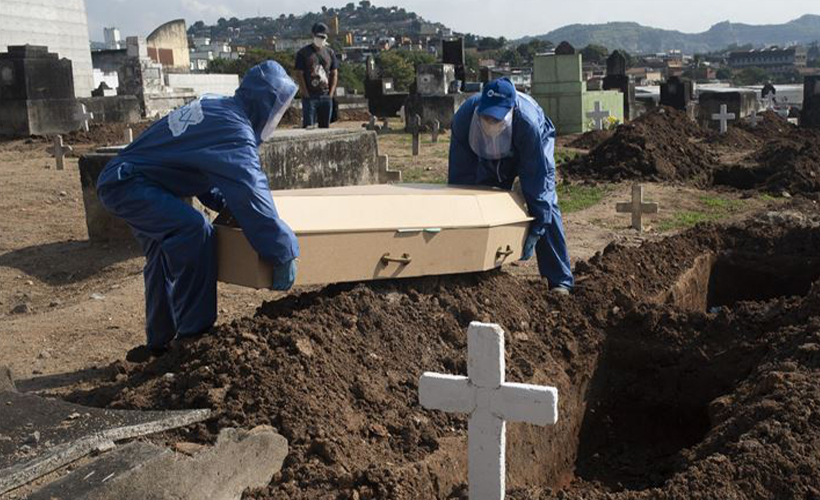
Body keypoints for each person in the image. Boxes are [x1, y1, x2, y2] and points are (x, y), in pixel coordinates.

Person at [97, 61, 300, 362]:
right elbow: (251, 194)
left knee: (163, 255)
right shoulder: (234, 130)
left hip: (127, 180)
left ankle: (159, 345)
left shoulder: (217, 108)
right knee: (193, 230)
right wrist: (282, 251)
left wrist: (223, 202)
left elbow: (195, 166)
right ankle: (193, 336)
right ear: (264, 103)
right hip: (130, 184)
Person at [448, 78, 574, 294]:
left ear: (510, 110)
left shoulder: (527, 122)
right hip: (487, 156)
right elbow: (461, 176)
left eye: (496, 117)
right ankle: (477, 268)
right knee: (481, 200)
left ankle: (559, 279)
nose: (490, 121)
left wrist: (538, 226)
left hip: (530, 146)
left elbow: (537, 180)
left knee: (545, 204)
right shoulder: (464, 119)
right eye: (486, 116)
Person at [294, 22, 339, 129]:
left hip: (325, 95)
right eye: (318, 36)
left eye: (323, 37)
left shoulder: (330, 52)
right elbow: (299, 74)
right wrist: (305, 93)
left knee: (325, 127)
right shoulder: (303, 53)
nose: (320, 39)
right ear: (313, 35)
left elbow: (334, 73)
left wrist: (331, 94)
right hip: (310, 96)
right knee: (309, 127)